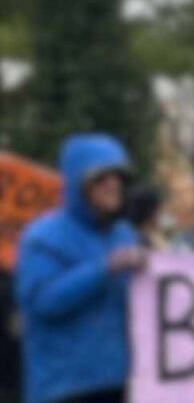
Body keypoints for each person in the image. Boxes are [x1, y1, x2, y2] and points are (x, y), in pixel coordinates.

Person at [16, 133, 146, 403]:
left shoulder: (123, 234)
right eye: (101, 177)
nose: (113, 184)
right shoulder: (43, 236)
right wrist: (103, 268)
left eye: (118, 176)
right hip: (65, 385)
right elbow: (42, 303)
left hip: (121, 380)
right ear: (78, 184)